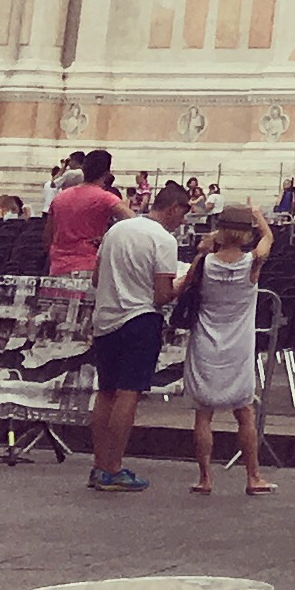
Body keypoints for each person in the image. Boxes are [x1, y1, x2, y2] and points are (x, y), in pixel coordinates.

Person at [84, 181, 193, 490]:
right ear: (173, 208)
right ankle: (114, 467)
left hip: (106, 318)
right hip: (140, 319)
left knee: (105, 392)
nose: (182, 220)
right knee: (128, 393)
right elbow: (162, 295)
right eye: (183, 213)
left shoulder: (116, 230)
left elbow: (96, 277)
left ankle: (99, 465)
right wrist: (185, 281)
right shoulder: (164, 240)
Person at [183, 200, 277, 493]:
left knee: (203, 413)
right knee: (244, 411)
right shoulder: (252, 264)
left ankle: (205, 478)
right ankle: (253, 476)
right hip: (238, 344)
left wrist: (205, 247)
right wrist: (258, 215)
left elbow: (186, 285)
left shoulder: (204, 263)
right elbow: (268, 238)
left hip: (205, 339)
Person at [45, 146, 126, 279]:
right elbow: (132, 220)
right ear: (106, 174)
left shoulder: (59, 198)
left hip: (58, 268)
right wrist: (107, 238)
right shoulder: (105, 198)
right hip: (88, 266)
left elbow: (48, 236)